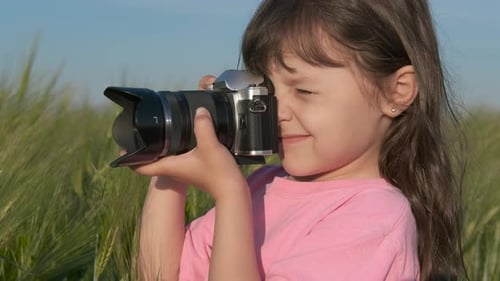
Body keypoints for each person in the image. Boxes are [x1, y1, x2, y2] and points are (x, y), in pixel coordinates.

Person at [133, 0, 467, 280]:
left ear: (397, 91)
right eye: (267, 92)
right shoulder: (264, 185)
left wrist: (230, 193)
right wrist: (173, 155)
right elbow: (160, 274)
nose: (278, 112)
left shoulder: (374, 220)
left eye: (304, 91)